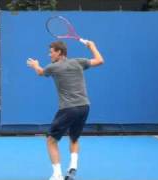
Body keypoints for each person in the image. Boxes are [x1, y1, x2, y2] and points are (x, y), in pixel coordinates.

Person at [27, 40, 104, 180]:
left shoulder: (53, 67)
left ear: (59, 52)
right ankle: (73, 167)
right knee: (74, 138)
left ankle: (57, 175)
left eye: (51, 52)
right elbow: (100, 60)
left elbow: (40, 72)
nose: (49, 54)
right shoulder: (79, 62)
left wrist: (35, 65)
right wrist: (92, 45)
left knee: (51, 140)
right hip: (84, 107)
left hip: (69, 109)